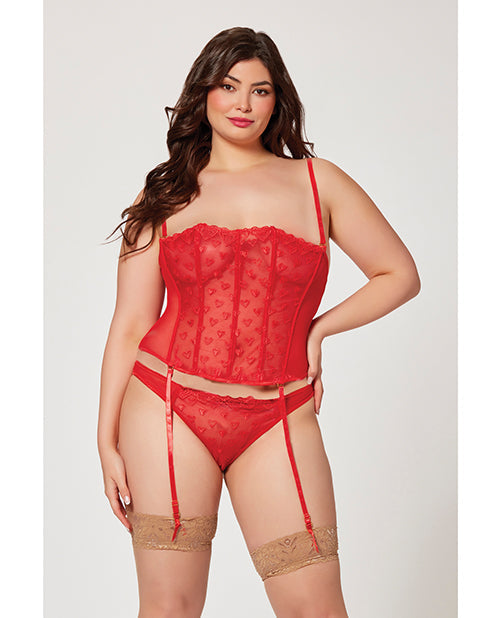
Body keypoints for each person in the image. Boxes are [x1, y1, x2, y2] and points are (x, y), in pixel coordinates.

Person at [97, 26, 420, 618]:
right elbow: (131, 324)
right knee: (169, 606)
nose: (243, 103)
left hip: (280, 411)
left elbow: (398, 273)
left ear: (277, 100)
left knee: (316, 608)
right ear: (203, 93)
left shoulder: (318, 182)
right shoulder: (167, 191)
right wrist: (105, 438)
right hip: (167, 405)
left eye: (260, 90)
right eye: (228, 86)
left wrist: (318, 329)